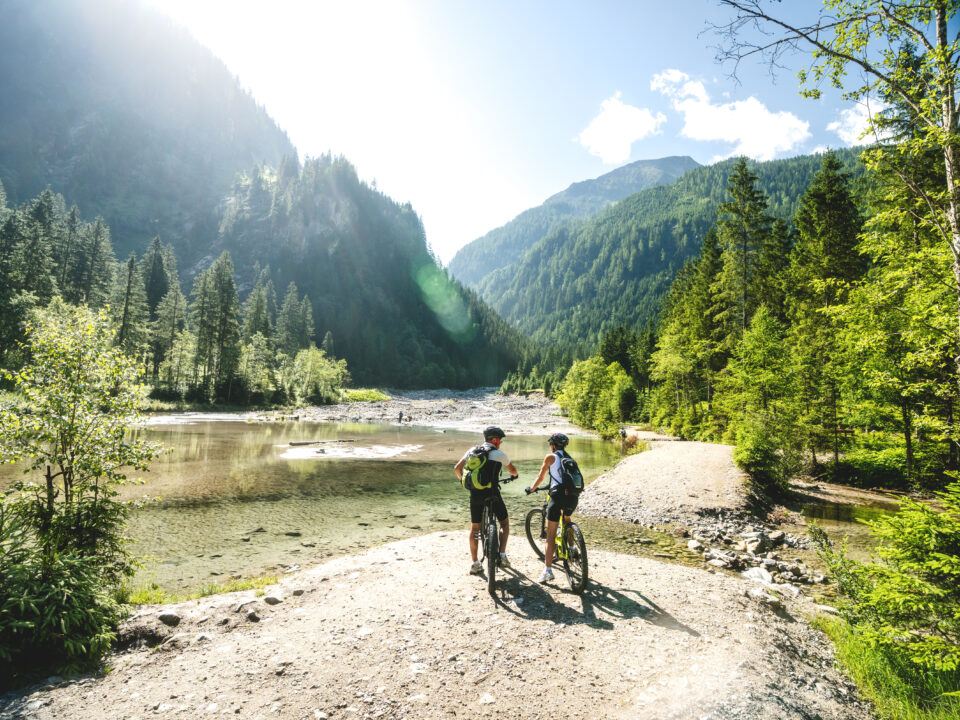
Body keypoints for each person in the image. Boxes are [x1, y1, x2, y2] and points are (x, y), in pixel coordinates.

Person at [454, 425, 518, 575]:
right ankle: (502, 555)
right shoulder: (499, 454)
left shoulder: (472, 451)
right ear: (495, 440)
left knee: (475, 528)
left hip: (475, 494)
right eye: (499, 441)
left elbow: (457, 468)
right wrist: (515, 476)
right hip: (492, 494)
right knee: (504, 523)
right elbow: (513, 470)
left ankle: (475, 563)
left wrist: (465, 484)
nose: (500, 443)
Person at [525, 432, 577, 583]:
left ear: (553, 445)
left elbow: (541, 477)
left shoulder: (550, 457)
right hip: (572, 497)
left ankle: (548, 571)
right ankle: (573, 549)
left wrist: (532, 489)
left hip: (557, 496)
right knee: (567, 519)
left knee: (550, 536)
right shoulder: (570, 459)